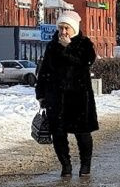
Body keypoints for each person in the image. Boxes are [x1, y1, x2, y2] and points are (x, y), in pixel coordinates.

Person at [35, 10, 98, 178]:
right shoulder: (52, 45)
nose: (63, 32)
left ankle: (85, 165)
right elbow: (44, 71)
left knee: (83, 134)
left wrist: (68, 48)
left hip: (78, 98)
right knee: (58, 135)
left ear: (74, 29)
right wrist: (40, 93)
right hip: (56, 98)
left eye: (66, 28)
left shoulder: (84, 44)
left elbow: (86, 62)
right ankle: (66, 166)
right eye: (61, 28)